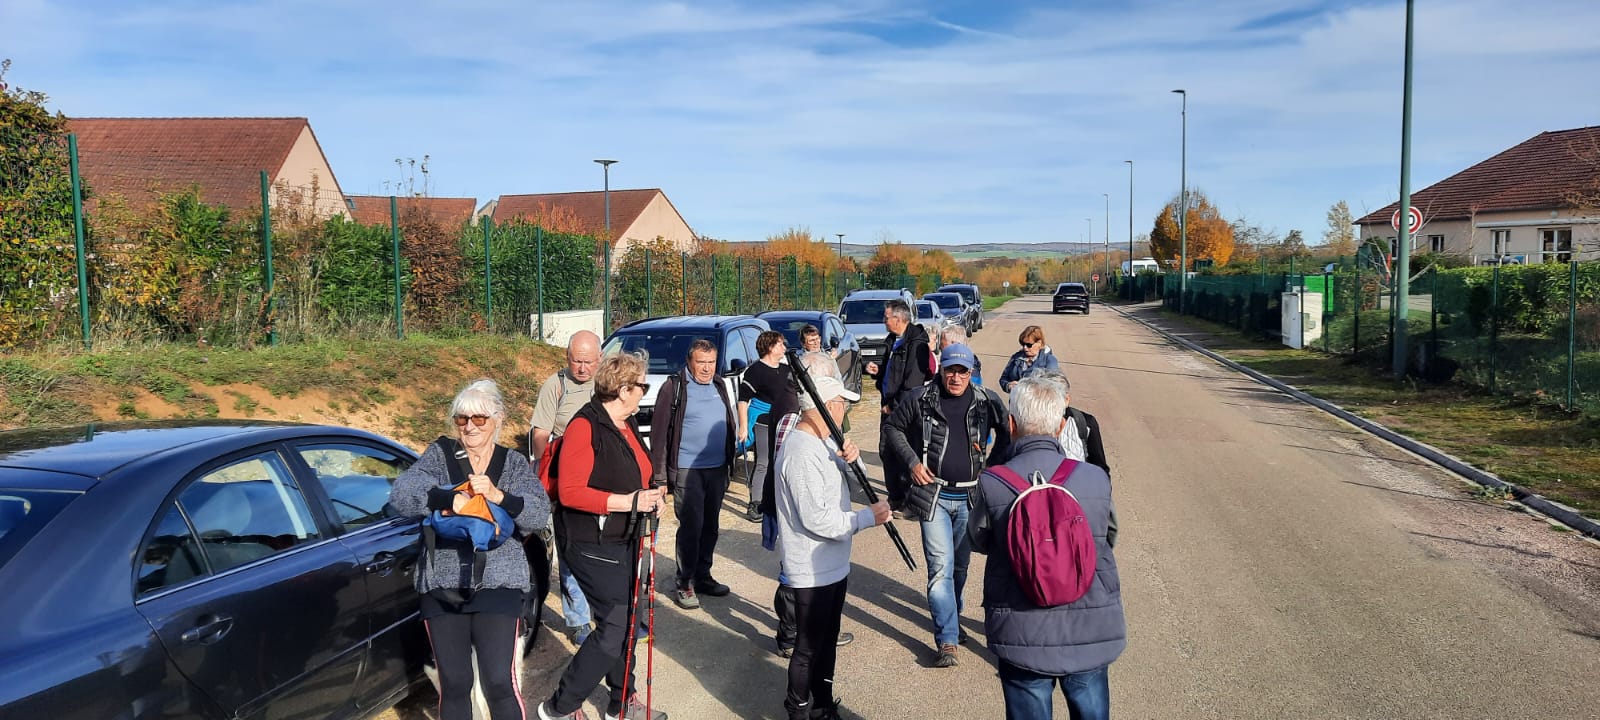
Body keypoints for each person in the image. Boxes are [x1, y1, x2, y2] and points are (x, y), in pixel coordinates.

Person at [390, 379, 551, 720]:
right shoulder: (441, 454)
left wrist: (498, 496)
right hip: (442, 585)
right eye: (462, 419)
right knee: (455, 683)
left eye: (479, 418)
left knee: (498, 682)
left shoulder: (512, 463)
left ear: (498, 419)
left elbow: (539, 512)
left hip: (499, 584)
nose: (470, 427)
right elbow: (402, 494)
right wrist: (450, 498)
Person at [968, 374, 1124, 720]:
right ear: (1061, 426)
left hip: (1021, 629)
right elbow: (1108, 536)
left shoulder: (992, 483)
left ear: (1011, 424)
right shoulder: (1094, 478)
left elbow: (978, 538)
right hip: (1089, 625)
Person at [539, 353, 669, 720]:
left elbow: (639, 474)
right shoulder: (585, 426)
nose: (644, 391)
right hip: (589, 543)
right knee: (614, 627)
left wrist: (653, 496)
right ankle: (559, 708)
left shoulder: (626, 422)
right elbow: (571, 492)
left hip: (625, 538)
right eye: (642, 385)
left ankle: (622, 702)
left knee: (627, 622)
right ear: (624, 389)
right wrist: (629, 501)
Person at [881, 343, 1010, 668]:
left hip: (970, 498)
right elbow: (893, 427)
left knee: (960, 567)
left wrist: (992, 468)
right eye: (951, 370)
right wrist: (912, 462)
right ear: (941, 369)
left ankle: (952, 616)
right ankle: (947, 640)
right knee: (940, 568)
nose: (956, 377)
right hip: (934, 496)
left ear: (971, 373)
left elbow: (1007, 433)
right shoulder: (920, 398)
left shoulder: (987, 401)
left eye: (962, 371)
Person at [774, 371, 891, 720]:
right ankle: (797, 710)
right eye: (841, 403)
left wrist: (852, 460)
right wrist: (865, 518)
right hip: (811, 569)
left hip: (834, 565)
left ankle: (823, 705)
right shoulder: (799, 452)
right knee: (807, 648)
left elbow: (854, 485)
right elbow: (817, 520)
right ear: (825, 406)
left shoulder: (824, 441)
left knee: (827, 640)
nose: (845, 410)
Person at [649, 339, 738, 610]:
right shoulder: (674, 387)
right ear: (689, 361)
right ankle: (685, 581)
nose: (707, 368)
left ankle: (703, 576)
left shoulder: (719, 384)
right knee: (691, 527)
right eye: (701, 362)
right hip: (688, 470)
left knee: (710, 526)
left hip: (717, 469)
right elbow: (659, 434)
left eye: (711, 362)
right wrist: (660, 477)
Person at [531, 330, 601, 644]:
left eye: (588, 362)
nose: (582, 368)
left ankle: (609, 611)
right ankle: (578, 621)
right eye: (576, 361)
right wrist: (547, 471)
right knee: (570, 548)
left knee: (602, 549)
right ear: (567, 357)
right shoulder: (555, 385)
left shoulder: (607, 383)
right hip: (566, 480)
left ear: (600, 359)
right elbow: (540, 434)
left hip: (601, 481)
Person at [864, 298, 933, 513]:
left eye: (886, 317)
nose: (883, 321)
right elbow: (892, 373)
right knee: (886, 451)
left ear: (899, 318)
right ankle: (895, 497)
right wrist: (878, 372)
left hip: (904, 410)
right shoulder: (892, 340)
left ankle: (909, 499)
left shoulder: (917, 344)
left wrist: (894, 406)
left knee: (904, 452)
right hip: (888, 406)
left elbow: (912, 382)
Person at [739, 330, 800, 522]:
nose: (784, 347)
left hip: (786, 421)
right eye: (780, 344)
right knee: (763, 462)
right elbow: (743, 400)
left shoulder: (787, 369)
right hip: (764, 421)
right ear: (770, 347)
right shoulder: (755, 371)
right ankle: (755, 503)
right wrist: (743, 426)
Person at [1033, 370, 1111, 478]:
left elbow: (1100, 468)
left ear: (1066, 400)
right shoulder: (1028, 425)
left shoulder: (1085, 423)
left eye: (1053, 400)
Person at [999, 325, 1061, 392]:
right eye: (1023, 344)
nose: (1025, 348)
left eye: (1029, 345)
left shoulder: (1049, 360)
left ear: (1039, 343)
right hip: (1017, 398)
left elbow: (1053, 385)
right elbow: (1003, 378)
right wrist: (1008, 385)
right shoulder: (1016, 358)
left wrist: (1030, 390)